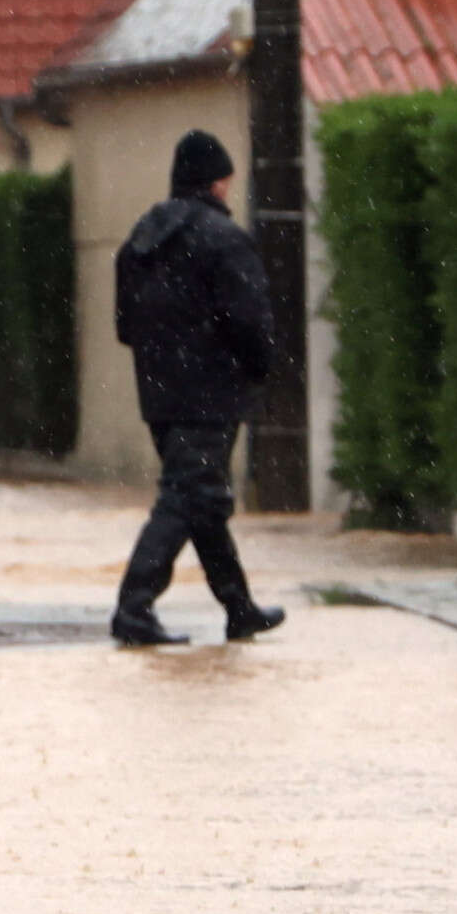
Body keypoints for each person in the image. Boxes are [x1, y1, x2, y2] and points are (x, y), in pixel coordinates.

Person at [109, 128, 286, 648]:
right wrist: (260, 368)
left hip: (159, 395)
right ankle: (133, 607)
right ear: (217, 183)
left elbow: (124, 327)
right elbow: (251, 322)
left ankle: (239, 608)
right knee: (187, 498)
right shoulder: (225, 240)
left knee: (202, 501)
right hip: (211, 394)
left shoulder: (140, 240)